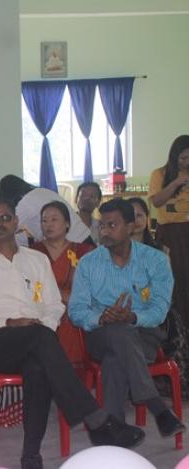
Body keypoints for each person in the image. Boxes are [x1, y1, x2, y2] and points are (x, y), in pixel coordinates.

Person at [0, 198, 145, 469]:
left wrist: (41, 327)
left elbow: (54, 305)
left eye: (5, 217)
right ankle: (96, 419)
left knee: (38, 367)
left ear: (16, 222)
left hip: (37, 338)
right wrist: (9, 322)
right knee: (40, 339)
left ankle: (31, 456)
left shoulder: (37, 260)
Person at [69, 198, 185, 436]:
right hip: (100, 336)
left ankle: (113, 430)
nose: (105, 231)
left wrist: (132, 316)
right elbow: (76, 310)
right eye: (102, 225)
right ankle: (157, 407)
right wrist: (102, 317)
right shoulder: (88, 263)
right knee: (116, 331)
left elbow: (160, 309)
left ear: (131, 227)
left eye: (112, 225)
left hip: (145, 335)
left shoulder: (156, 260)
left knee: (115, 355)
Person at [127, 197, 189, 398]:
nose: (136, 220)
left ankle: (163, 381)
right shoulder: (115, 251)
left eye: (140, 215)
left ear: (147, 218)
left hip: (156, 309)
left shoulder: (160, 251)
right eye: (131, 216)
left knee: (168, 320)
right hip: (126, 309)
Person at [30, 201, 94, 364]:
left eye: (54, 219)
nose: (48, 224)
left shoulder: (84, 252)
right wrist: (58, 295)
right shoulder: (31, 252)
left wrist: (65, 297)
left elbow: (92, 290)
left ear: (67, 223)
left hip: (76, 310)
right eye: (44, 220)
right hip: (41, 310)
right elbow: (27, 287)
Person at [149, 135, 189, 329]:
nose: (187, 162)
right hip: (171, 233)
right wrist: (175, 183)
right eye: (183, 158)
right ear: (174, 156)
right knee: (176, 278)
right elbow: (156, 202)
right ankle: (178, 327)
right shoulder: (160, 174)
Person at [0, 174, 90, 245]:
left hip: (75, 246)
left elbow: (5, 228)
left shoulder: (27, 202)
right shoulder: (41, 192)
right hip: (84, 240)